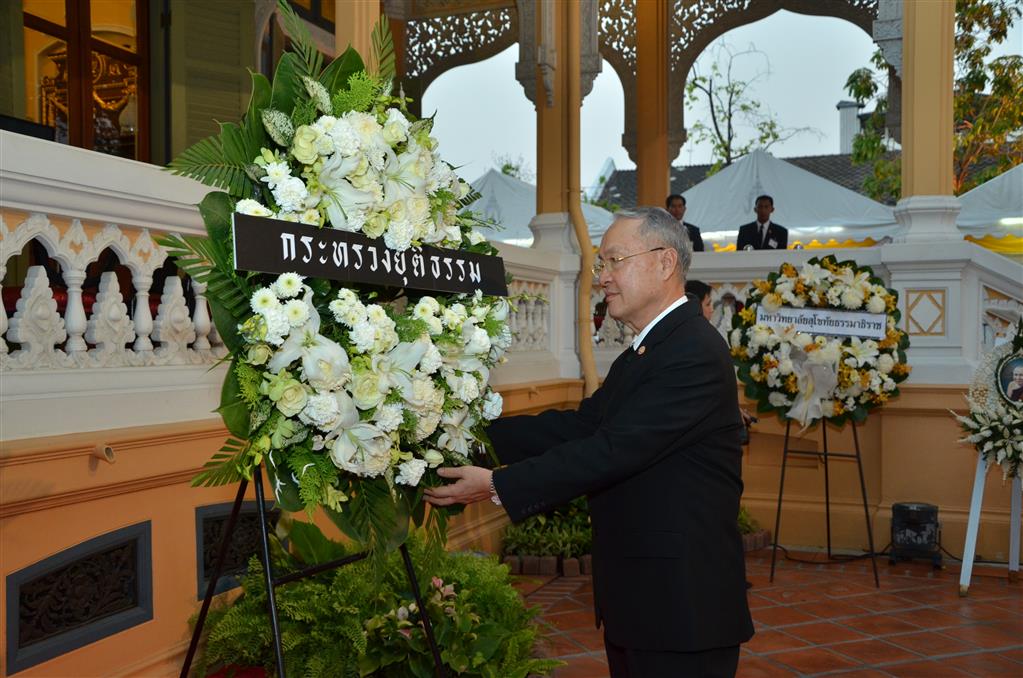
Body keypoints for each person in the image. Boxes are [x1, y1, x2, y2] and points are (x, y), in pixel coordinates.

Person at [426, 207, 754, 677]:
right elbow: (581, 427)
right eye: (603, 264)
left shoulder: (692, 352)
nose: (603, 277)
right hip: (648, 603)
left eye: (614, 261)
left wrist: (498, 484)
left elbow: (612, 451)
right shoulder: (649, 348)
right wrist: (468, 440)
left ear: (664, 263)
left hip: (681, 609)